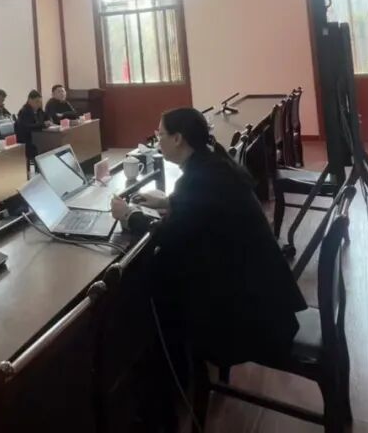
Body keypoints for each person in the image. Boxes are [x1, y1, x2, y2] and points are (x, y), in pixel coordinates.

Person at [109, 108, 307, 368]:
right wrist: (168, 201)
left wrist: (129, 215)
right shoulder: (213, 164)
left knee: (153, 280)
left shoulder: (199, 179)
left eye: (160, 135)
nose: (157, 141)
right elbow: (206, 207)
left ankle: (172, 375)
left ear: (178, 139)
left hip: (251, 317)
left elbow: (169, 236)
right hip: (265, 297)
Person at [15, 90, 51, 159]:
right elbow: (27, 127)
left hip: (37, 137)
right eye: (36, 102)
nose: (39, 104)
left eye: (40, 102)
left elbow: (46, 117)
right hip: (27, 140)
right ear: (29, 100)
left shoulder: (39, 110)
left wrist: (48, 121)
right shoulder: (24, 111)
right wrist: (43, 124)